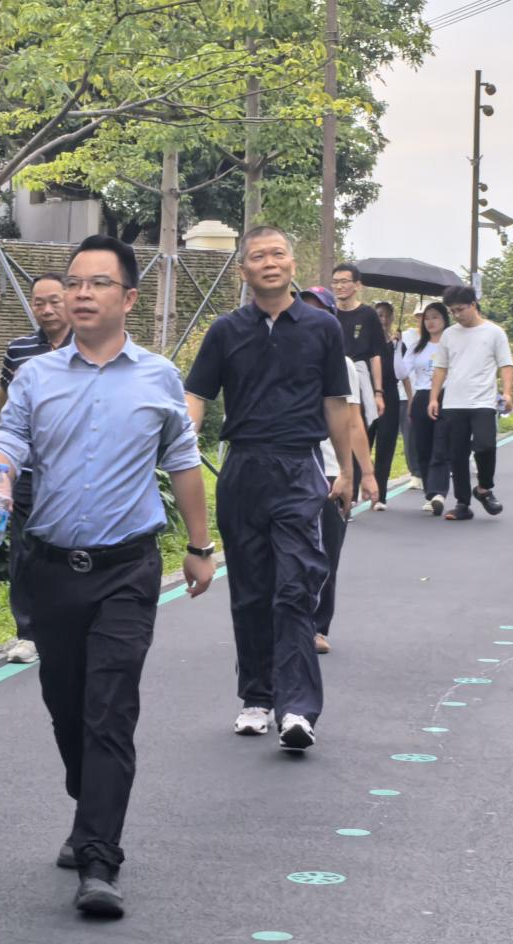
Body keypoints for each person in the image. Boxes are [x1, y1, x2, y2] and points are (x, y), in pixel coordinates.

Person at [0, 235, 214, 919]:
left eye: (97, 283)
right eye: (73, 282)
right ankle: (89, 801)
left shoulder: (158, 377)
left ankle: (100, 858)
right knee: (66, 704)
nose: (79, 294)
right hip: (50, 567)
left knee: (110, 708)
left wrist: (200, 546)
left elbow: (183, 461)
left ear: (128, 298)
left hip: (126, 569)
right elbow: (7, 439)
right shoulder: (37, 376)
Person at [186, 226, 366, 752]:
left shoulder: (321, 328)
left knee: (295, 587)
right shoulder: (225, 330)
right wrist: (180, 441)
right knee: (251, 590)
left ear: (292, 264)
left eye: (278, 254)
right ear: (244, 271)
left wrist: (349, 472)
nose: (269, 262)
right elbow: (197, 393)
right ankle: (257, 700)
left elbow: (338, 402)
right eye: (258, 256)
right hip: (242, 469)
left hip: (297, 469)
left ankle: (297, 710)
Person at [0, 272, 72, 664]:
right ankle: (27, 632)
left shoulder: (89, 346)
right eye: (40, 302)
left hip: (73, 473)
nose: (47, 309)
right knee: (24, 551)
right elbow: (1, 404)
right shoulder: (20, 350)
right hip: (27, 472)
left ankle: (65, 621)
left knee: (68, 547)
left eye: (54, 300)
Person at [297, 286, 374, 656]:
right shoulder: (278, 354)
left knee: (326, 553)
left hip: (329, 470)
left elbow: (354, 422)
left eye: (318, 311)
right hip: (290, 469)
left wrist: (363, 473)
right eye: (303, 309)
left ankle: (316, 626)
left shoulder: (342, 364)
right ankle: (284, 622)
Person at [427, 285, 513, 521]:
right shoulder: (449, 335)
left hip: (483, 401)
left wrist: (507, 393)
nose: (457, 315)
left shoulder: (494, 332)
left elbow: (505, 364)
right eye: (452, 311)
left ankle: (484, 488)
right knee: (458, 454)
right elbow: (440, 368)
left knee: (486, 445)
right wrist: (434, 398)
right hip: (454, 401)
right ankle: (462, 503)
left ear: (473, 305)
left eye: (460, 310)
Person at [330, 264, 387, 499]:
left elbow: (376, 354)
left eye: (344, 281)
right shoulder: (328, 313)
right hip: (333, 374)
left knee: (357, 428)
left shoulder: (367, 314)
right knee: (337, 431)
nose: (340, 286)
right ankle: (344, 489)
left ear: (357, 285)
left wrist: (378, 392)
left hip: (359, 374)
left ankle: (357, 485)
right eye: (335, 282)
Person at [401, 302, 451, 515]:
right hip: (422, 396)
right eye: (427, 318)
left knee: (441, 444)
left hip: (447, 396)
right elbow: (401, 371)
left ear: (444, 320)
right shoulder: (417, 346)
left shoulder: (452, 344)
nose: (430, 321)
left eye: (435, 317)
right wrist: (396, 348)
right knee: (423, 446)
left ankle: (438, 492)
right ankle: (430, 494)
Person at [368, 300, 403, 510]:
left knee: (386, 444)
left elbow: (403, 372)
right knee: (363, 441)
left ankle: (380, 495)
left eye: (386, 315)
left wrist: (397, 347)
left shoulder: (398, 342)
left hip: (390, 393)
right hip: (369, 392)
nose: (383, 319)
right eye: (379, 315)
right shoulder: (368, 340)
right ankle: (354, 492)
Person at [397, 320, 421, 489]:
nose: (424, 319)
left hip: (431, 394)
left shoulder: (442, 339)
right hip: (405, 395)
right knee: (410, 436)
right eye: (419, 316)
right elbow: (401, 369)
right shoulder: (405, 336)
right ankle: (415, 473)